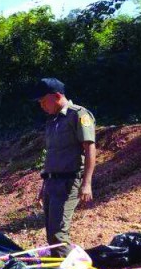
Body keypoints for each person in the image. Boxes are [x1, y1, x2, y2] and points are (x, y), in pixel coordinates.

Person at [30, 77, 96, 258]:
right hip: (52, 182)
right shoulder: (52, 120)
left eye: (43, 101)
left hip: (69, 181)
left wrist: (87, 183)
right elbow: (53, 155)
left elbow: (90, 147)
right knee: (51, 234)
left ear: (57, 96)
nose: (41, 106)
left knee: (59, 235)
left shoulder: (79, 115)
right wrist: (45, 185)